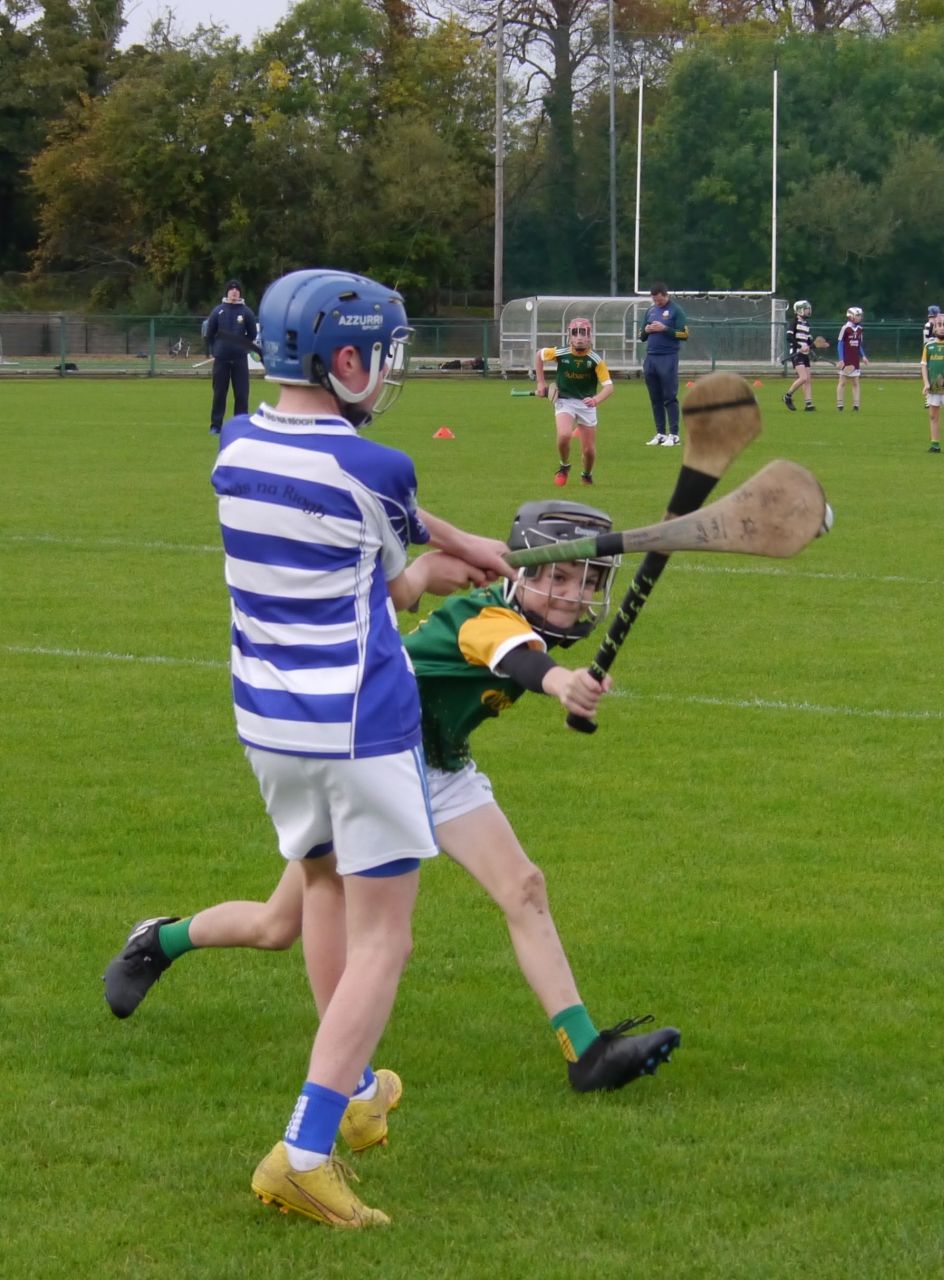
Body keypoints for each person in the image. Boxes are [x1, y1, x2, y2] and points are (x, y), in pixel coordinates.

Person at [106, 267, 514, 1230]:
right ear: (344, 359)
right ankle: (304, 1150)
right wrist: (462, 556)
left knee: (325, 892)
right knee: (387, 938)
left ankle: (359, 1091)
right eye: (384, 353)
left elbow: (382, 573)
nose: (392, 370)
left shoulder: (236, 446)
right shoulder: (379, 469)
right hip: (359, 728)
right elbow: (403, 563)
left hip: (270, 727)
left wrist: (442, 555)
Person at [103, 502, 681, 1108]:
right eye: (561, 578)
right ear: (524, 575)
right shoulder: (484, 616)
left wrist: (561, 681)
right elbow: (517, 659)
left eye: (588, 582)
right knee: (278, 927)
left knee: (524, 886)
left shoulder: (520, 626)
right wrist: (562, 682)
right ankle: (159, 941)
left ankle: (585, 1052)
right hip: (372, 763)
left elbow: (525, 656)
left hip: (439, 766)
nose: (575, 594)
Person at [534, 317, 613, 486]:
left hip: (586, 405)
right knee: (564, 435)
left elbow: (609, 387)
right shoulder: (561, 353)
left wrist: (596, 399)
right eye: (575, 333)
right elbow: (539, 355)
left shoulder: (595, 360)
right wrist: (540, 383)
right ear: (569, 336)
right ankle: (564, 466)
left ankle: (587, 474)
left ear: (590, 336)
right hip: (565, 401)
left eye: (583, 333)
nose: (579, 337)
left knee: (589, 451)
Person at [204, 278, 259, 435]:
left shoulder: (246, 312)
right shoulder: (218, 311)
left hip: (240, 359)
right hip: (221, 359)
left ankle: (240, 426)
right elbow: (209, 334)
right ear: (227, 292)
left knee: (241, 393)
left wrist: (241, 345)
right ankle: (216, 425)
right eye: (231, 289)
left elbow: (252, 334)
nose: (234, 291)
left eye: (237, 289)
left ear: (240, 293)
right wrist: (217, 349)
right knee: (219, 392)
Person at [640, 282, 689, 447]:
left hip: (667, 357)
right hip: (651, 358)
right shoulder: (650, 310)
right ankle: (660, 433)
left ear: (665, 295)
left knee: (669, 396)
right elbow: (642, 336)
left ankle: (674, 435)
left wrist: (664, 328)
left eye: (659, 300)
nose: (657, 303)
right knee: (655, 398)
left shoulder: (676, 310)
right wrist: (646, 330)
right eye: (654, 300)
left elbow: (684, 334)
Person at [920, 310, 944, 454]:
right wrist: (926, 383)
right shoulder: (929, 346)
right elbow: (924, 365)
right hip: (934, 386)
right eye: (939, 325)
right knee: (933, 415)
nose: (942, 327)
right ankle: (935, 444)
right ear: (935, 328)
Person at [783, 299, 816, 412]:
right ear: (800, 310)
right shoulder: (794, 322)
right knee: (803, 378)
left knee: (808, 380)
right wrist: (799, 346)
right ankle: (787, 396)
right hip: (796, 353)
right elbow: (789, 337)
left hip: (805, 354)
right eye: (806, 309)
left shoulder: (807, 324)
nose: (808, 311)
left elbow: (808, 341)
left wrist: (815, 345)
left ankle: (808, 404)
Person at [836, 306, 869, 412]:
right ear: (851, 316)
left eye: (860, 316)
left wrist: (863, 356)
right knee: (842, 382)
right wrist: (841, 359)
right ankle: (840, 404)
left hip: (855, 360)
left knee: (855, 382)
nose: (860, 318)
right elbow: (840, 344)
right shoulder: (845, 328)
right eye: (857, 315)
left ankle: (856, 405)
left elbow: (859, 345)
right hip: (846, 359)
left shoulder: (860, 329)